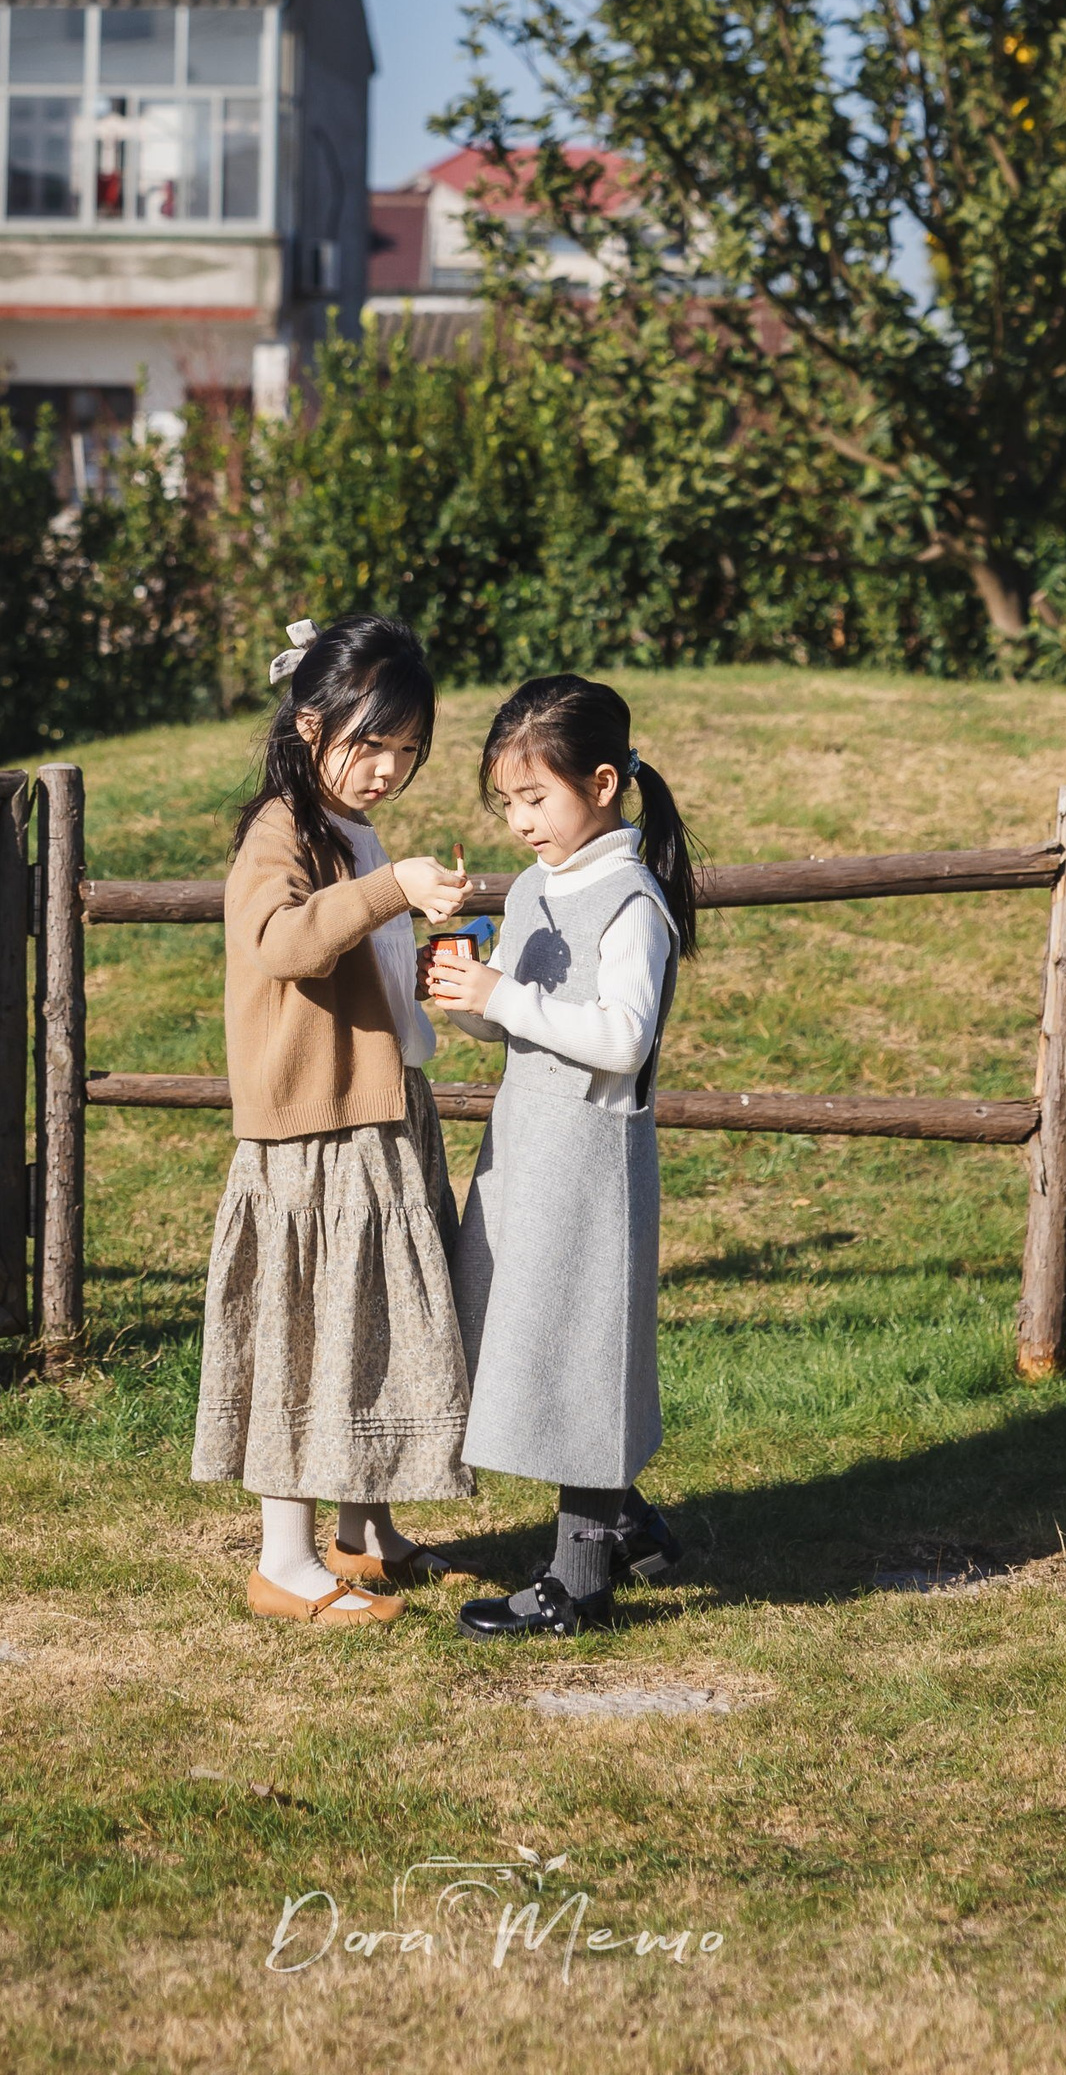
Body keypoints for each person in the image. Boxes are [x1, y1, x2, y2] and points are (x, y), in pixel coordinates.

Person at [191, 611, 478, 1625]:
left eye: (406, 750)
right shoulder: (279, 829)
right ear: (309, 722)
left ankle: (364, 1532)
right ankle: (284, 1560)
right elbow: (278, 940)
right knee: (311, 1331)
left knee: (379, 1320)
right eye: (370, 743)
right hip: (313, 1128)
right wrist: (388, 889)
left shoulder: (352, 829)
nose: (387, 768)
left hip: (381, 1105)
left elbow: (364, 959)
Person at [428, 672, 696, 1637]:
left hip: (591, 1162)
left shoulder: (629, 899)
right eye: (507, 804)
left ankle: (578, 1581)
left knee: (583, 1351)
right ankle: (625, 1522)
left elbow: (623, 1038)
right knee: (524, 1335)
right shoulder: (541, 886)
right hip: (527, 1150)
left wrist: (501, 997)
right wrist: (469, 999)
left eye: (535, 799)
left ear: (602, 784)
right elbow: (530, 1030)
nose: (520, 823)